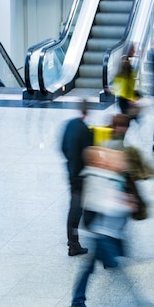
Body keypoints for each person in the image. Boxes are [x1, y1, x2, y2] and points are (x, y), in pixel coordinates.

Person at [70, 147, 135, 307]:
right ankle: (138, 302)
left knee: (91, 268)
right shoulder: (93, 177)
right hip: (100, 233)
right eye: (100, 158)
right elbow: (104, 205)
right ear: (93, 161)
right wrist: (124, 204)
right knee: (114, 267)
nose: (103, 161)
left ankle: (77, 303)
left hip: (100, 232)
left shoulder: (97, 175)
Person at [61, 103, 93, 256]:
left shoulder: (69, 124)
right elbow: (89, 153)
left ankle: (73, 242)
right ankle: (73, 244)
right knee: (76, 208)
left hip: (71, 171)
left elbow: (62, 147)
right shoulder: (84, 130)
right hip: (80, 175)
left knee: (74, 206)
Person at [114, 44, 140, 118]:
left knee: (127, 119)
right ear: (128, 51)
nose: (134, 51)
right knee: (127, 119)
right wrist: (131, 99)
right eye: (133, 50)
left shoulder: (124, 62)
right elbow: (125, 84)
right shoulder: (126, 65)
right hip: (125, 98)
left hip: (122, 96)